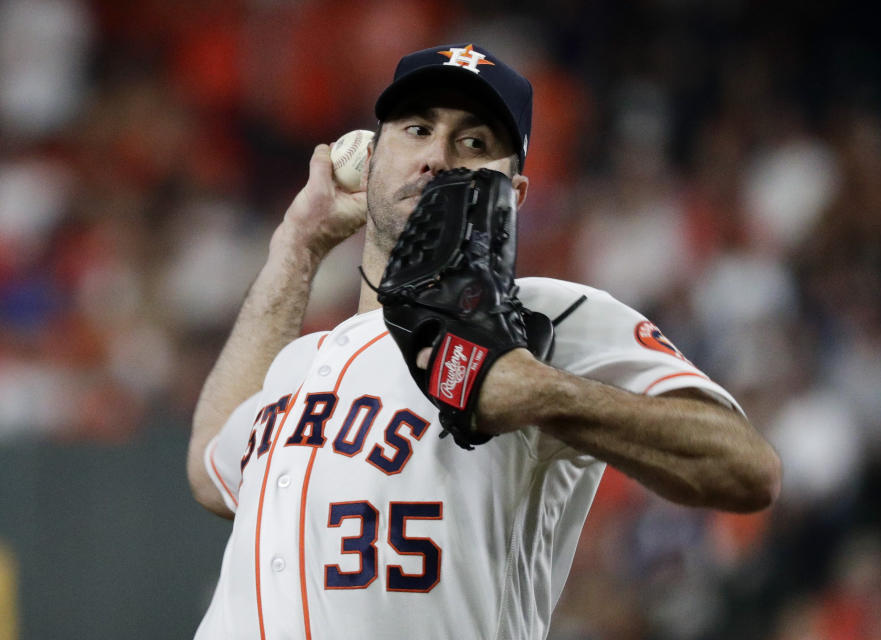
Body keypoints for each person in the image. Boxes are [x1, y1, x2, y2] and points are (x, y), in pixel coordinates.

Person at [187, 43, 781, 639]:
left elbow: (745, 466)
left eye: (473, 144)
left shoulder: (542, 314)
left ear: (514, 193)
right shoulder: (303, 360)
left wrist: (545, 393)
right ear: (367, 161)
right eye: (417, 129)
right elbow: (211, 466)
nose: (436, 158)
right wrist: (298, 246)